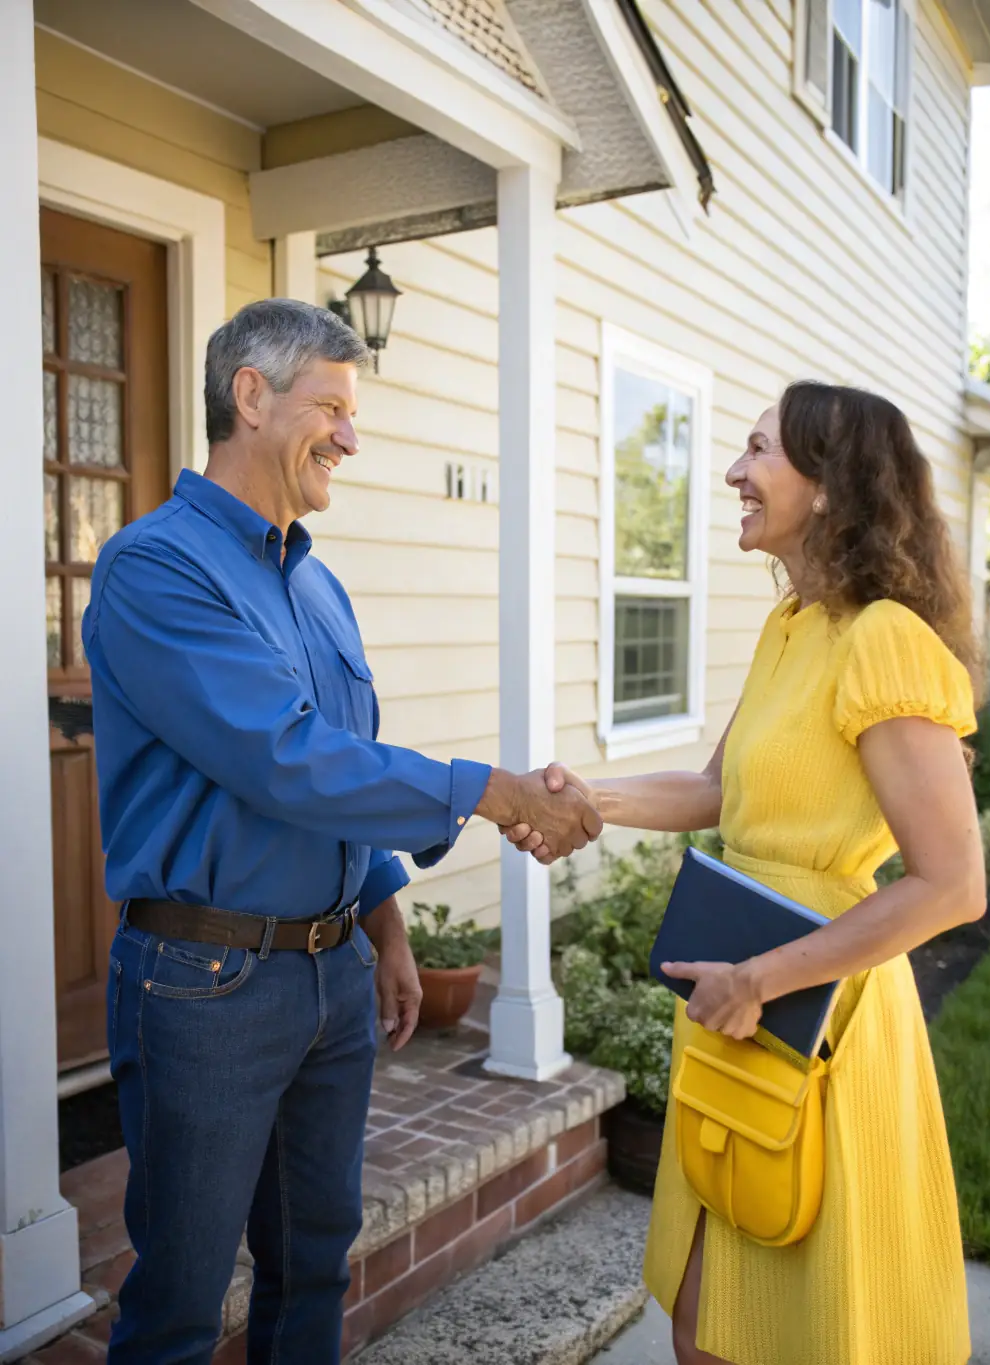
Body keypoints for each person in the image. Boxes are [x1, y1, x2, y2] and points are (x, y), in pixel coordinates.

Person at [83, 298, 602, 1365]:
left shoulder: (317, 584)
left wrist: (385, 926)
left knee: (315, 1260)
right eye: (332, 407)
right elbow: (283, 757)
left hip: (328, 984)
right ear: (250, 396)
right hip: (204, 983)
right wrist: (491, 791)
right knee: (181, 1301)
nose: (351, 437)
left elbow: (344, 757)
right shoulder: (155, 569)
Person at [503, 381, 984, 1365]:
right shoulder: (791, 626)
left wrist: (761, 980)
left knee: (783, 1333)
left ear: (829, 485)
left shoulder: (882, 640)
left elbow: (951, 884)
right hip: (738, 1008)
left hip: (811, 1013)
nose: (732, 472)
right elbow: (717, 788)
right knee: (700, 1317)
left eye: (758, 452)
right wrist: (582, 798)